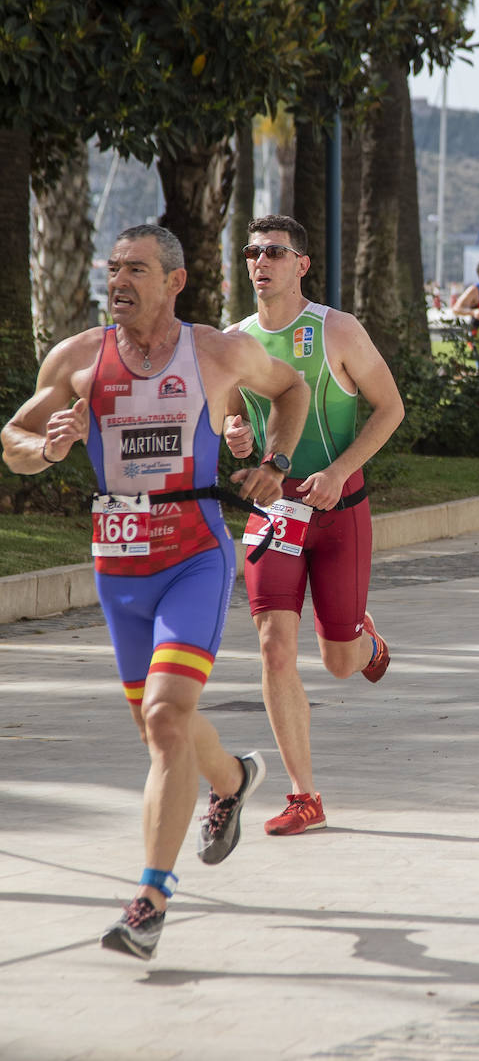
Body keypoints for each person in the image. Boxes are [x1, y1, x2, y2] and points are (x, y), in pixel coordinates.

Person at [0, 224, 309, 960]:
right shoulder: (78, 359)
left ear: (175, 281)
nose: (119, 281)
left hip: (193, 552)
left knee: (169, 717)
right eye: (113, 268)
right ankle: (232, 780)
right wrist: (49, 449)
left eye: (136, 269)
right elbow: (12, 438)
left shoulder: (217, 351)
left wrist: (275, 460)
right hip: (117, 561)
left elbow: (292, 388)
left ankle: (149, 899)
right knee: (159, 726)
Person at [223, 214, 404, 837]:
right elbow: (235, 431)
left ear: (302, 263)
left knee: (337, 662)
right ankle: (305, 795)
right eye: (252, 251)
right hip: (274, 512)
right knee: (274, 647)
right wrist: (236, 435)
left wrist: (340, 470)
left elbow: (391, 408)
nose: (260, 261)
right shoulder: (234, 342)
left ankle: (366, 642)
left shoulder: (337, 330)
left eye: (275, 251)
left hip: (339, 509)